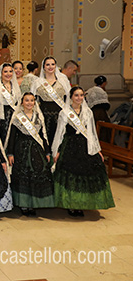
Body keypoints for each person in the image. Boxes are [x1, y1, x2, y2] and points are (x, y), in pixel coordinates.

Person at [52, 87, 115, 217]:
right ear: (71, 97)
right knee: (71, 176)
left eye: (81, 95)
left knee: (86, 175)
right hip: (69, 146)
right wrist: (56, 151)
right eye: (76, 95)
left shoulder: (88, 112)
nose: (79, 98)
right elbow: (60, 133)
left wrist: (98, 150)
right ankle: (71, 204)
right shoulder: (64, 112)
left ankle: (82, 205)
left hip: (85, 146)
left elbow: (92, 133)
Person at [5, 93, 54, 216]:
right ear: (22, 102)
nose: (29, 103)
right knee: (23, 176)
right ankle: (24, 204)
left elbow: (43, 136)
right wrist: (10, 153)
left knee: (36, 174)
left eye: (32, 100)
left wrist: (47, 151)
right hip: (21, 149)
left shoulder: (38, 116)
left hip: (37, 149)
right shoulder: (17, 117)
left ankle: (34, 203)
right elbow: (12, 136)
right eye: (27, 100)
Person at [31, 56, 71, 146]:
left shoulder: (63, 81)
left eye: (52, 64)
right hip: (43, 114)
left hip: (59, 114)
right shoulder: (37, 82)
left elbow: (69, 98)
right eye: (47, 64)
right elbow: (32, 99)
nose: (50, 67)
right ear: (44, 67)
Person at [0, 63, 22, 144]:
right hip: (1, 118)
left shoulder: (15, 86)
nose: (8, 74)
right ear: (1, 73)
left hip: (13, 116)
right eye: (5, 72)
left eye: (10, 71)